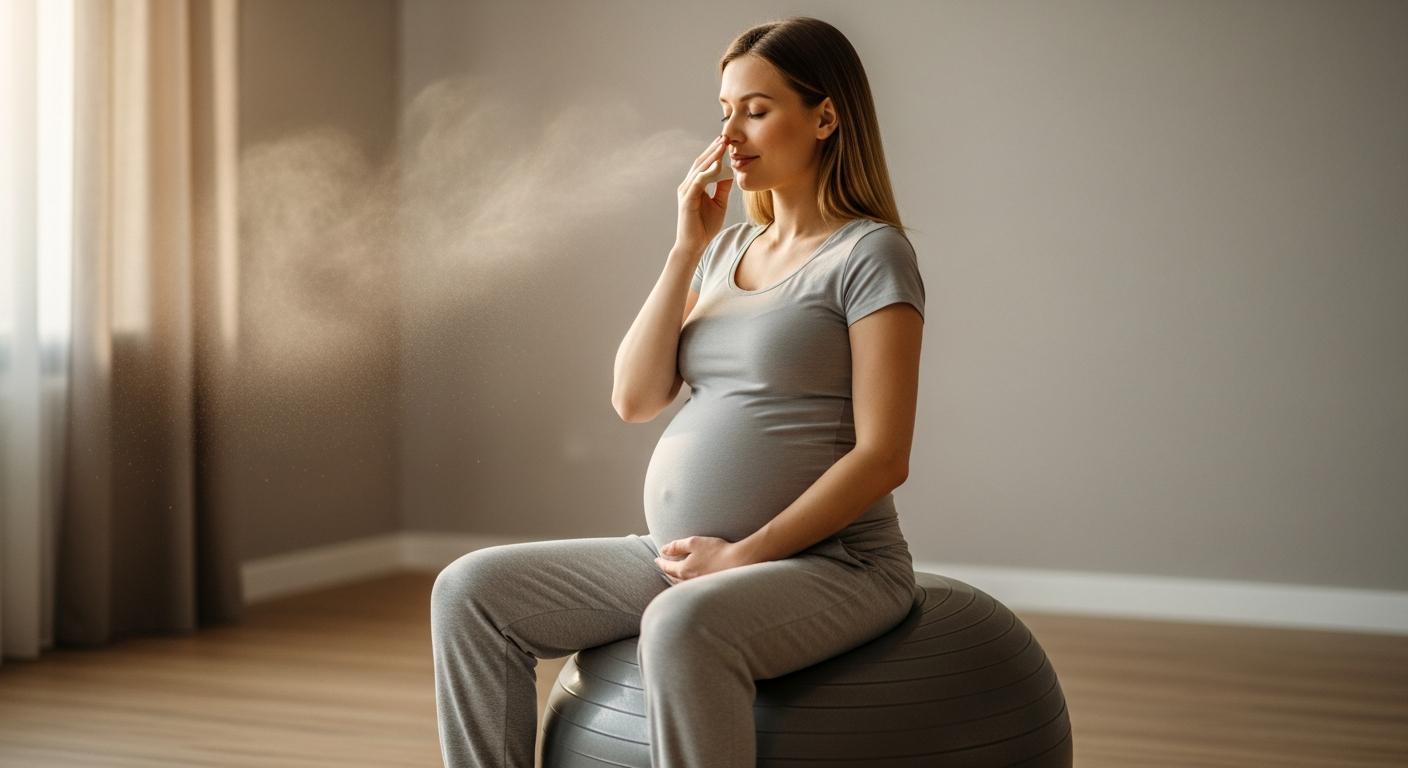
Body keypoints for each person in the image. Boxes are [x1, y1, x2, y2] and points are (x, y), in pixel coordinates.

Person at [431, 16, 925, 768]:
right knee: (470, 591)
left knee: (681, 625)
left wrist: (743, 558)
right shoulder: (726, 249)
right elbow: (634, 396)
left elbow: (884, 456)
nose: (732, 134)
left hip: (836, 564)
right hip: (681, 555)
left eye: (756, 110)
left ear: (825, 116)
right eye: (725, 112)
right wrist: (686, 245)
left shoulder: (870, 254)